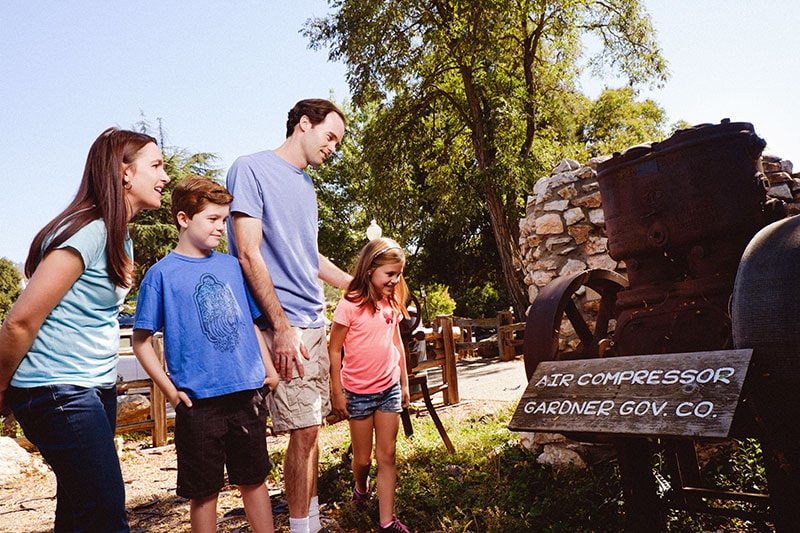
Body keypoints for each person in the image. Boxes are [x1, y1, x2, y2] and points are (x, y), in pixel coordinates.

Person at [0, 127, 170, 532]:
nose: (165, 176)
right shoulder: (88, 230)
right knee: (104, 511)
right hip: (57, 388)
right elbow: (20, 321)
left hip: (92, 387)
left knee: (80, 509)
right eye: (157, 165)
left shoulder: (118, 235)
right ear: (124, 173)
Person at [226, 98, 352, 533]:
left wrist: (353, 284)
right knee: (301, 433)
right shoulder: (251, 169)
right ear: (303, 124)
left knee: (312, 429)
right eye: (330, 136)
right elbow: (247, 251)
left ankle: (310, 522)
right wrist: (279, 327)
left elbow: (308, 256)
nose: (333, 148)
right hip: (286, 324)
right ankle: (301, 529)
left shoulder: (306, 187)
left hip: (315, 319)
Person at [131, 176, 279, 533]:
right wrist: (171, 392)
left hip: (247, 393)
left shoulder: (231, 266)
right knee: (204, 493)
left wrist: (269, 369)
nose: (220, 227)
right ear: (184, 218)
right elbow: (140, 341)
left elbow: (252, 324)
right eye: (212, 219)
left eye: (224, 220)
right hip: (198, 404)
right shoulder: (160, 275)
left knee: (255, 481)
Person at [328, 237, 411, 533]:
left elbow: (396, 342)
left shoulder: (391, 301)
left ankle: (387, 520)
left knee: (386, 455)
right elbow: (334, 348)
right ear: (369, 270)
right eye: (389, 274)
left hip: (388, 387)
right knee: (363, 459)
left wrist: (403, 383)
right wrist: (337, 392)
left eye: (398, 274)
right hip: (358, 393)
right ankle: (360, 487)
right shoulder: (350, 304)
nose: (395, 280)